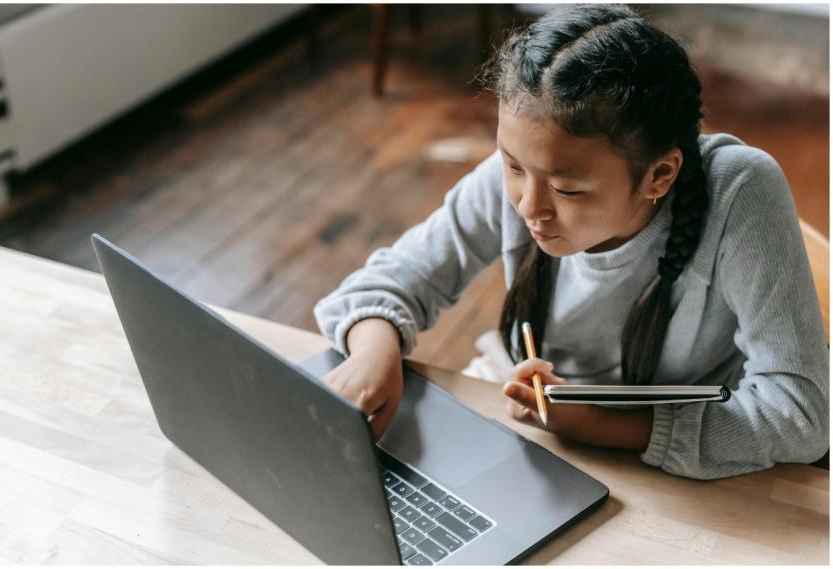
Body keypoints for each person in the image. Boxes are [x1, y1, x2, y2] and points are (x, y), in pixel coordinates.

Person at [312, 4, 828, 480]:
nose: (527, 207)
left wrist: (594, 426)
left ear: (660, 174)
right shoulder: (527, 164)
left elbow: (802, 413)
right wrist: (372, 352)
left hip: (691, 451)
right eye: (511, 166)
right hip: (540, 422)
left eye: (567, 189)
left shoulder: (738, 191)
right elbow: (391, 279)